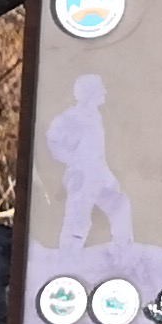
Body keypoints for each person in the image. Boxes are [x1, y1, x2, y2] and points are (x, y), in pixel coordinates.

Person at [46, 74, 134, 249]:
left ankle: (124, 250)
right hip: (82, 177)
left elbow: (97, 154)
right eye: (101, 89)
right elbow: (53, 139)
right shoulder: (72, 117)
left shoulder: (95, 117)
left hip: (98, 175)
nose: (105, 92)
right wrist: (73, 161)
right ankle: (67, 259)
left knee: (120, 205)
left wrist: (109, 178)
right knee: (78, 220)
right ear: (90, 93)